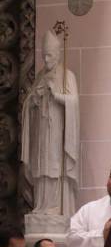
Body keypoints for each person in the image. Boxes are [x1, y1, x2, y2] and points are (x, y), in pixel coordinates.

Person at [20, 29, 79, 216]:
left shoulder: (67, 75)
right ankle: (41, 205)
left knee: (54, 167)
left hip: (57, 131)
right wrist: (34, 99)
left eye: (50, 55)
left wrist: (56, 94)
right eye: (44, 56)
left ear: (58, 54)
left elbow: (74, 101)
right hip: (41, 130)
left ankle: (55, 205)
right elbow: (28, 103)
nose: (46, 60)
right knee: (41, 166)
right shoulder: (40, 76)